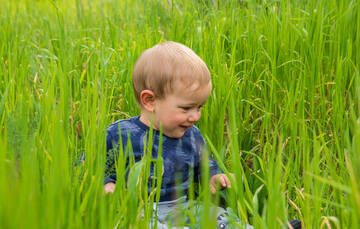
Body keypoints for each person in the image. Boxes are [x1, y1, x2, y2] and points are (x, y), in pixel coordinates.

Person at [103, 41, 301, 229]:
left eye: (200, 107)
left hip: (182, 207)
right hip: (137, 210)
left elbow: (205, 165)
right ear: (150, 101)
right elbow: (88, 166)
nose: (195, 116)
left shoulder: (191, 135)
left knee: (217, 215)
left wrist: (214, 176)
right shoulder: (120, 134)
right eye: (187, 108)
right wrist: (107, 185)